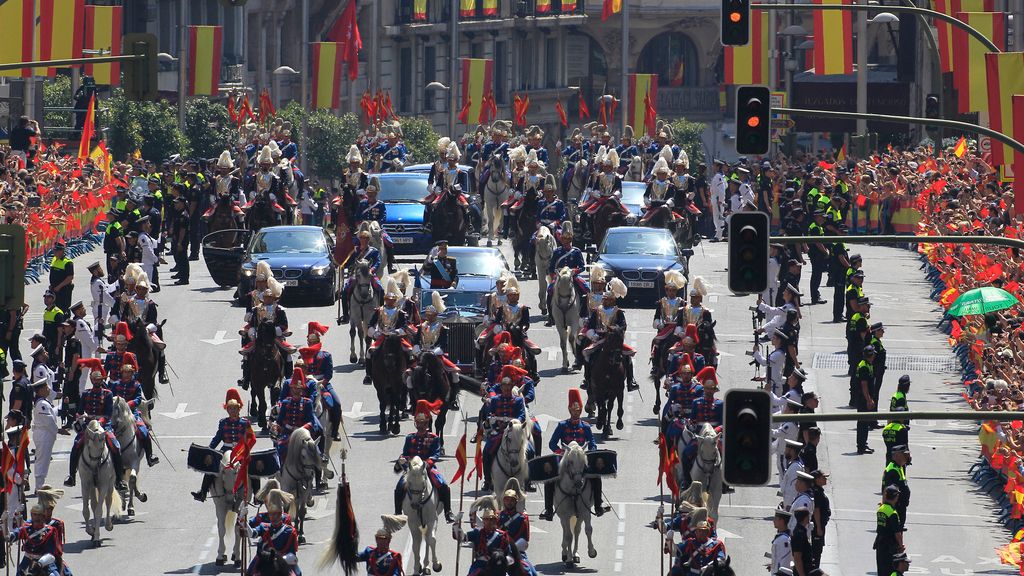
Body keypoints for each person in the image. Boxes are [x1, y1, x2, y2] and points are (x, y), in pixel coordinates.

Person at [540, 388, 608, 520]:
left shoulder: (586, 426)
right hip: (566, 459)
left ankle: (598, 505)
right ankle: (548, 509)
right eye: (574, 410)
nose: (576, 413)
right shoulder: (562, 426)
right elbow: (552, 444)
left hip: (581, 459)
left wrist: (590, 452)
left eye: (578, 410)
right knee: (549, 478)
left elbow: (592, 443)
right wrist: (562, 452)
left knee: (596, 476)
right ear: (569, 410)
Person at [63, 359, 126, 490]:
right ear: (92, 380)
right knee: (76, 445)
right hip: (88, 426)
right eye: (95, 380)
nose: (97, 382)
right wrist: (78, 416)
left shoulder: (108, 394)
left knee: (116, 446)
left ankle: (119, 479)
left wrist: (99, 422)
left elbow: (108, 414)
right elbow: (80, 411)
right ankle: (71, 476)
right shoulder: (86, 394)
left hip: (104, 426)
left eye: (99, 380)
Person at [394, 399, 454, 523]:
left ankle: (448, 512)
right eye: (418, 423)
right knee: (399, 487)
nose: (421, 426)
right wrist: (402, 460)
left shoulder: (434, 438)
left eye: (423, 424)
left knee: (443, 486)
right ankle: (398, 512)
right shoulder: (410, 438)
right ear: (416, 424)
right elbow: (405, 453)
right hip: (411, 468)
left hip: (427, 467)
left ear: (427, 424)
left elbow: (436, 454)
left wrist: (428, 463)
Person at [192, 389, 253, 502]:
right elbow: (218, 438)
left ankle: (257, 493)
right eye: (230, 408)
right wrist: (210, 450)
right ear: (227, 409)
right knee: (211, 466)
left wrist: (246, 449)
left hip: (240, 450)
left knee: (252, 466)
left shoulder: (245, 423)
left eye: (234, 408)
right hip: (225, 449)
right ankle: (203, 492)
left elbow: (250, 439)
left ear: (239, 409)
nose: (232, 411)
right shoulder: (223, 423)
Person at [582, 279, 637, 390]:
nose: (607, 302)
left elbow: (623, 326)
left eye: (609, 300)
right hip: (599, 338)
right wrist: (593, 335)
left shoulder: (618, 312)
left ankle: (631, 381)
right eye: (605, 300)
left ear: (613, 301)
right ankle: (587, 379)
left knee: (627, 356)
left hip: (613, 339)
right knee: (587, 354)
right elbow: (591, 326)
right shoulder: (597, 311)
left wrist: (614, 331)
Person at [107, 354, 159, 467]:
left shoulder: (136, 385)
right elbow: (110, 397)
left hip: (132, 413)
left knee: (143, 431)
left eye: (129, 372)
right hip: (117, 413)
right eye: (125, 372)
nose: (127, 374)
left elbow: (138, 399)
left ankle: (150, 456)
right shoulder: (116, 385)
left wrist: (129, 404)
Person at [480, 373, 529, 491]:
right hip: (499, 432)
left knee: (530, 451)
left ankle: (528, 481)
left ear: (512, 387)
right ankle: (487, 480)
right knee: (487, 451)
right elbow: (490, 414)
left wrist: (515, 422)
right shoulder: (495, 400)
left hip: (514, 431)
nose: (506, 390)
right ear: (501, 388)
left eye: (509, 388)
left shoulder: (518, 400)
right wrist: (495, 422)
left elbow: (522, 415)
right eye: (504, 388)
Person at [297, 322, 342, 441]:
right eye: (310, 342)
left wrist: (322, 383)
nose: (311, 344)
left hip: (322, 383)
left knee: (336, 403)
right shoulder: (302, 356)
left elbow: (329, 374)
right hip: (306, 384)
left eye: (314, 342)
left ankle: (335, 431)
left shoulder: (326, 355)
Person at [241, 489, 301, 576]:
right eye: (271, 514)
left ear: (280, 514)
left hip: (283, 561)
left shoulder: (290, 531)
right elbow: (252, 533)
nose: (272, 517)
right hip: (264, 558)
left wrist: (279, 559)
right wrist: (243, 518)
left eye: (275, 514)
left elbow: (292, 552)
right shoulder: (264, 526)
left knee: (298, 573)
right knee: (250, 572)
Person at [364, 280, 411, 385]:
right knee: (369, 352)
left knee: (409, 351)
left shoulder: (400, 312)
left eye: (392, 300)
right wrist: (375, 333)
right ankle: (368, 375)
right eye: (388, 300)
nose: (390, 302)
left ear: (395, 300)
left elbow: (404, 327)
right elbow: (370, 325)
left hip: (395, 338)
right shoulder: (379, 311)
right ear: (385, 300)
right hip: (381, 337)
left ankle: (409, 373)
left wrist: (396, 333)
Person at [273, 369, 322, 461]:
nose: (295, 391)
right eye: (293, 388)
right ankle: (280, 470)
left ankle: (319, 463)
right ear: (290, 390)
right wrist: (276, 426)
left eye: (298, 388)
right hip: (287, 433)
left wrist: (301, 429)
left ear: (302, 390)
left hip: (302, 434)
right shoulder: (285, 402)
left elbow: (311, 421)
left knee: (312, 448)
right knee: (280, 449)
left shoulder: (307, 403)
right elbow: (280, 421)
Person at [453, 507, 515, 574]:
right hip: (480, 564)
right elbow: (461, 537)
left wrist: (502, 561)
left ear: (495, 521)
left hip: (496, 566)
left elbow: (509, 555)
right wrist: (456, 524)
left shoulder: (502, 535)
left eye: (491, 519)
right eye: (486, 519)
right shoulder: (477, 532)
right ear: (483, 521)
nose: (489, 522)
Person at [10, 504, 61, 576]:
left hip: (44, 562)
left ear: (43, 516)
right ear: (31, 515)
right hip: (27, 561)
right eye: (35, 515)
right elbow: (10, 537)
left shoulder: (50, 531)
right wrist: (3, 526)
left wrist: (40, 564)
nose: (37, 517)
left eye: (39, 515)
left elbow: (50, 554)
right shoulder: (26, 529)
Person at [31, 378, 61, 492]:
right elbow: (49, 421)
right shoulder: (42, 404)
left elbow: (51, 413)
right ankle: (39, 487)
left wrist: (61, 407)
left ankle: (40, 484)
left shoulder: (44, 402)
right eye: (46, 387)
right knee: (42, 460)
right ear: (40, 390)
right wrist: (59, 430)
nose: (48, 389)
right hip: (44, 435)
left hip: (45, 434)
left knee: (45, 460)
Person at [36, 486, 71, 576]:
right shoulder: (32, 524)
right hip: (33, 560)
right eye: (46, 509)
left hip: (51, 561)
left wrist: (60, 566)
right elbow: (20, 532)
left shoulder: (57, 524)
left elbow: (58, 551)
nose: (48, 513)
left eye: (51, 509)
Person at [874, 485, 905, 576]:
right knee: (890, 570)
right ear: (896, 497)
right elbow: (897, 533)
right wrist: (900, 545)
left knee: (881, 570)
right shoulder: (892, 513)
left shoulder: (881, 509)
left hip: (880, 544)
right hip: (890, 547)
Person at [855, 345, 877, 454]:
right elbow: (864, 384)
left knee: (865, 422)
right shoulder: (864, 366)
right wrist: (868, 400)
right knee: (863, 423)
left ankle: (863, 444)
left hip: (865, 397)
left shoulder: (867, 364)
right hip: (863, 399)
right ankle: (861, 446)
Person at [882, 445, 911, 529]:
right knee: (896, 529)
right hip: (897, 505)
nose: (907, 457)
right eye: (904, 455)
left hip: (901, 504)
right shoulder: (892, 470)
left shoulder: (899, 466)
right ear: (897, 456)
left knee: (899, 527)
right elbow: (888, 490)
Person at [88, 263, 112, 346]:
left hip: (100, 307)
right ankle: (98, 351)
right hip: (100, 308)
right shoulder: (98, 282)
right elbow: (105, 296)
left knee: (100, 329)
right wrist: (115, 304)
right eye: (99, 268)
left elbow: (109, 287)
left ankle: (98, 348)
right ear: (95, 271)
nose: (101, 270)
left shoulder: (98, 280)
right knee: (99, 330)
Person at [169, 195, 191, 285]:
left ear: (181, 204)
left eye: (177, 203)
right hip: (177, 238)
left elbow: (183, 230)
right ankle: (181, 275)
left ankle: (184, 278)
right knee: (179, 257)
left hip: (182, 240)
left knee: (183, 259)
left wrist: (179, 243)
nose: (175, 204)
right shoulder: (178, 212)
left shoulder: (184, 215)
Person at [49, 243, 74, 313]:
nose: (54, 252)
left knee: (63, 309)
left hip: (64, 290)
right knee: (54, 309)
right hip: (54, 289)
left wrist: (59, 287)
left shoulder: (68, 262)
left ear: (61, 251)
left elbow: (70, 277)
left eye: (56, 251)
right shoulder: (54, 259)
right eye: (54, 250)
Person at [791, 506, 812, 576]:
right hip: (802, 571)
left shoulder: (801, 531)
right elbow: (797, 558)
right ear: (806, 518)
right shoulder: (799, 534)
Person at [770, 509, 793, 575]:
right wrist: (772, 566)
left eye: (776, 519)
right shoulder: (781, 537)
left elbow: (785, 560)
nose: (773, 521)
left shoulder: (784, 539)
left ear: (782, 521)